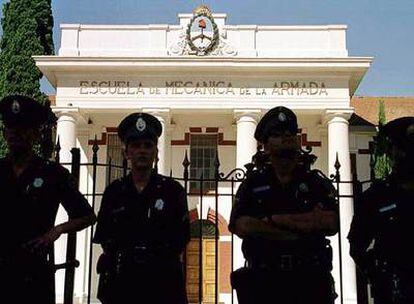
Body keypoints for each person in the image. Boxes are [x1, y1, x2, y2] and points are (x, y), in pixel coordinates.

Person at [229, 106, 338, 304]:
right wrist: (297, 229)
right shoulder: (253, 183)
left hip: (310, 281)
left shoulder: (315, 182)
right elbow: (241, 225)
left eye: (291, 133)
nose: (286, 138)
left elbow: (331, 222)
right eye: (278, 134)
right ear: (265, 145)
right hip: (265, 282)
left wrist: (273, 220)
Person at [0, 94, 96, 304]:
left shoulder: (52, 173)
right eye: (11, 128)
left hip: (34, 272)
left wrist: (56, 231)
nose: (17, 134)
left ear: (35, 134)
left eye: (24, 129)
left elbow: (88, 215)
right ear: (5, 133)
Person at [93, 112, 190, 304]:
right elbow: (105, 237)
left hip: (163, 284)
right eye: (136, 146)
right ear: (126, 152)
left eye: (148, 145)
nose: (142, 151)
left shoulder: (173, 191)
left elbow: (182, 237)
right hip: (122, 284)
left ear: (156, 152)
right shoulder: (114, 192)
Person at [348, 117, 414, 304]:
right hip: (394, 290)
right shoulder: (376, 196)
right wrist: (378, 274)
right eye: (404, 150)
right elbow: (357, 243)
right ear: (394, 152)